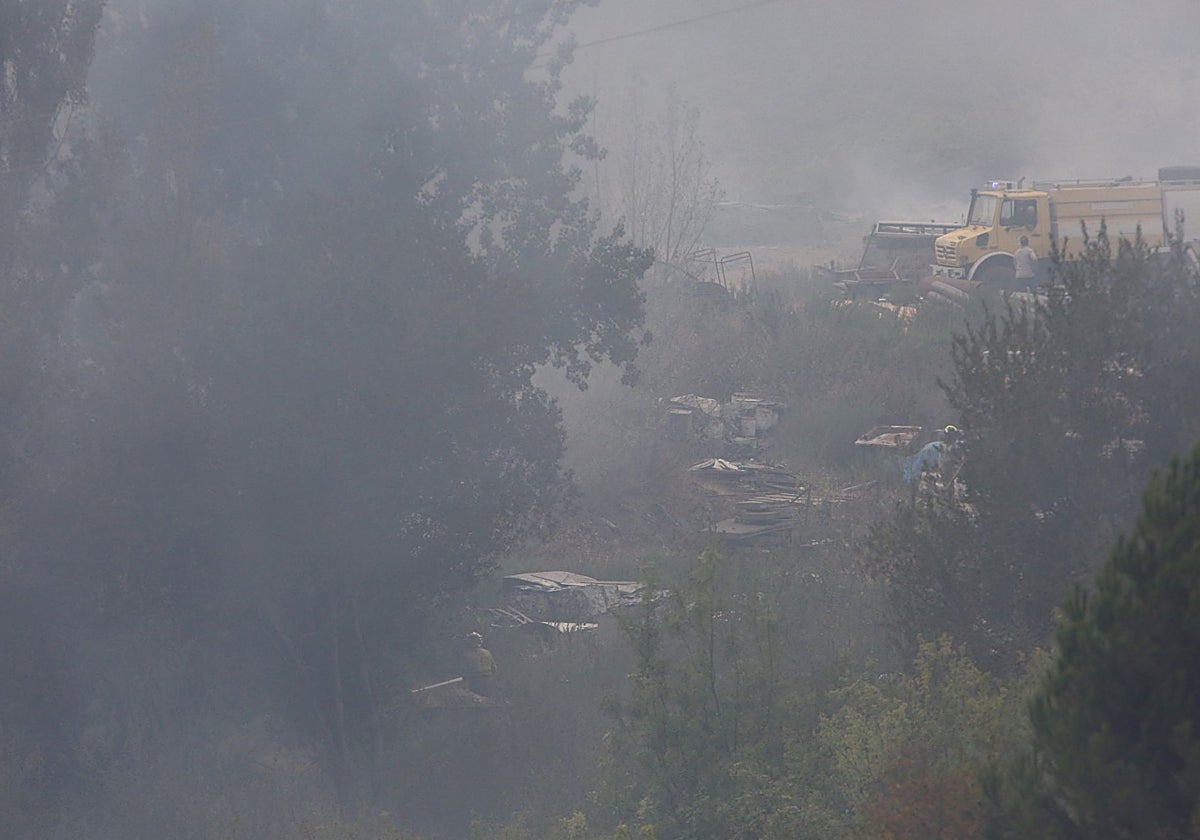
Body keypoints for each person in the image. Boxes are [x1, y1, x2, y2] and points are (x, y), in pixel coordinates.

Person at [461, 631, 496, 697]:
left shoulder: (466, 655)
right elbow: (494, 668)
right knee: (488, 697)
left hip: (475, 680)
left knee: (477, 698)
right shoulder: (487, 652)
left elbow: (464, 671)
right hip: (488, 679)